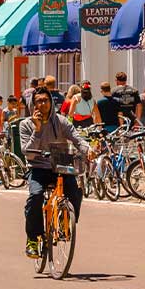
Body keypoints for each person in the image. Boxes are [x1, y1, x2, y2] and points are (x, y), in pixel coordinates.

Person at [21, 86, 89, 258]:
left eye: (46, 100)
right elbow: (28, 153)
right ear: (33, 104)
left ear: (51, 102)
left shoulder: (61, 122)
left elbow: (77, 139)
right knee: (35, 196)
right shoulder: (26, 125)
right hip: (37, 167)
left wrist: (88, 150)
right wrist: (37, 130)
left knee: (75, 192)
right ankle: (33, 239)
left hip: (61, 165)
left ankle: (65, 222)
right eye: (39, 101)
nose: (43, 104)